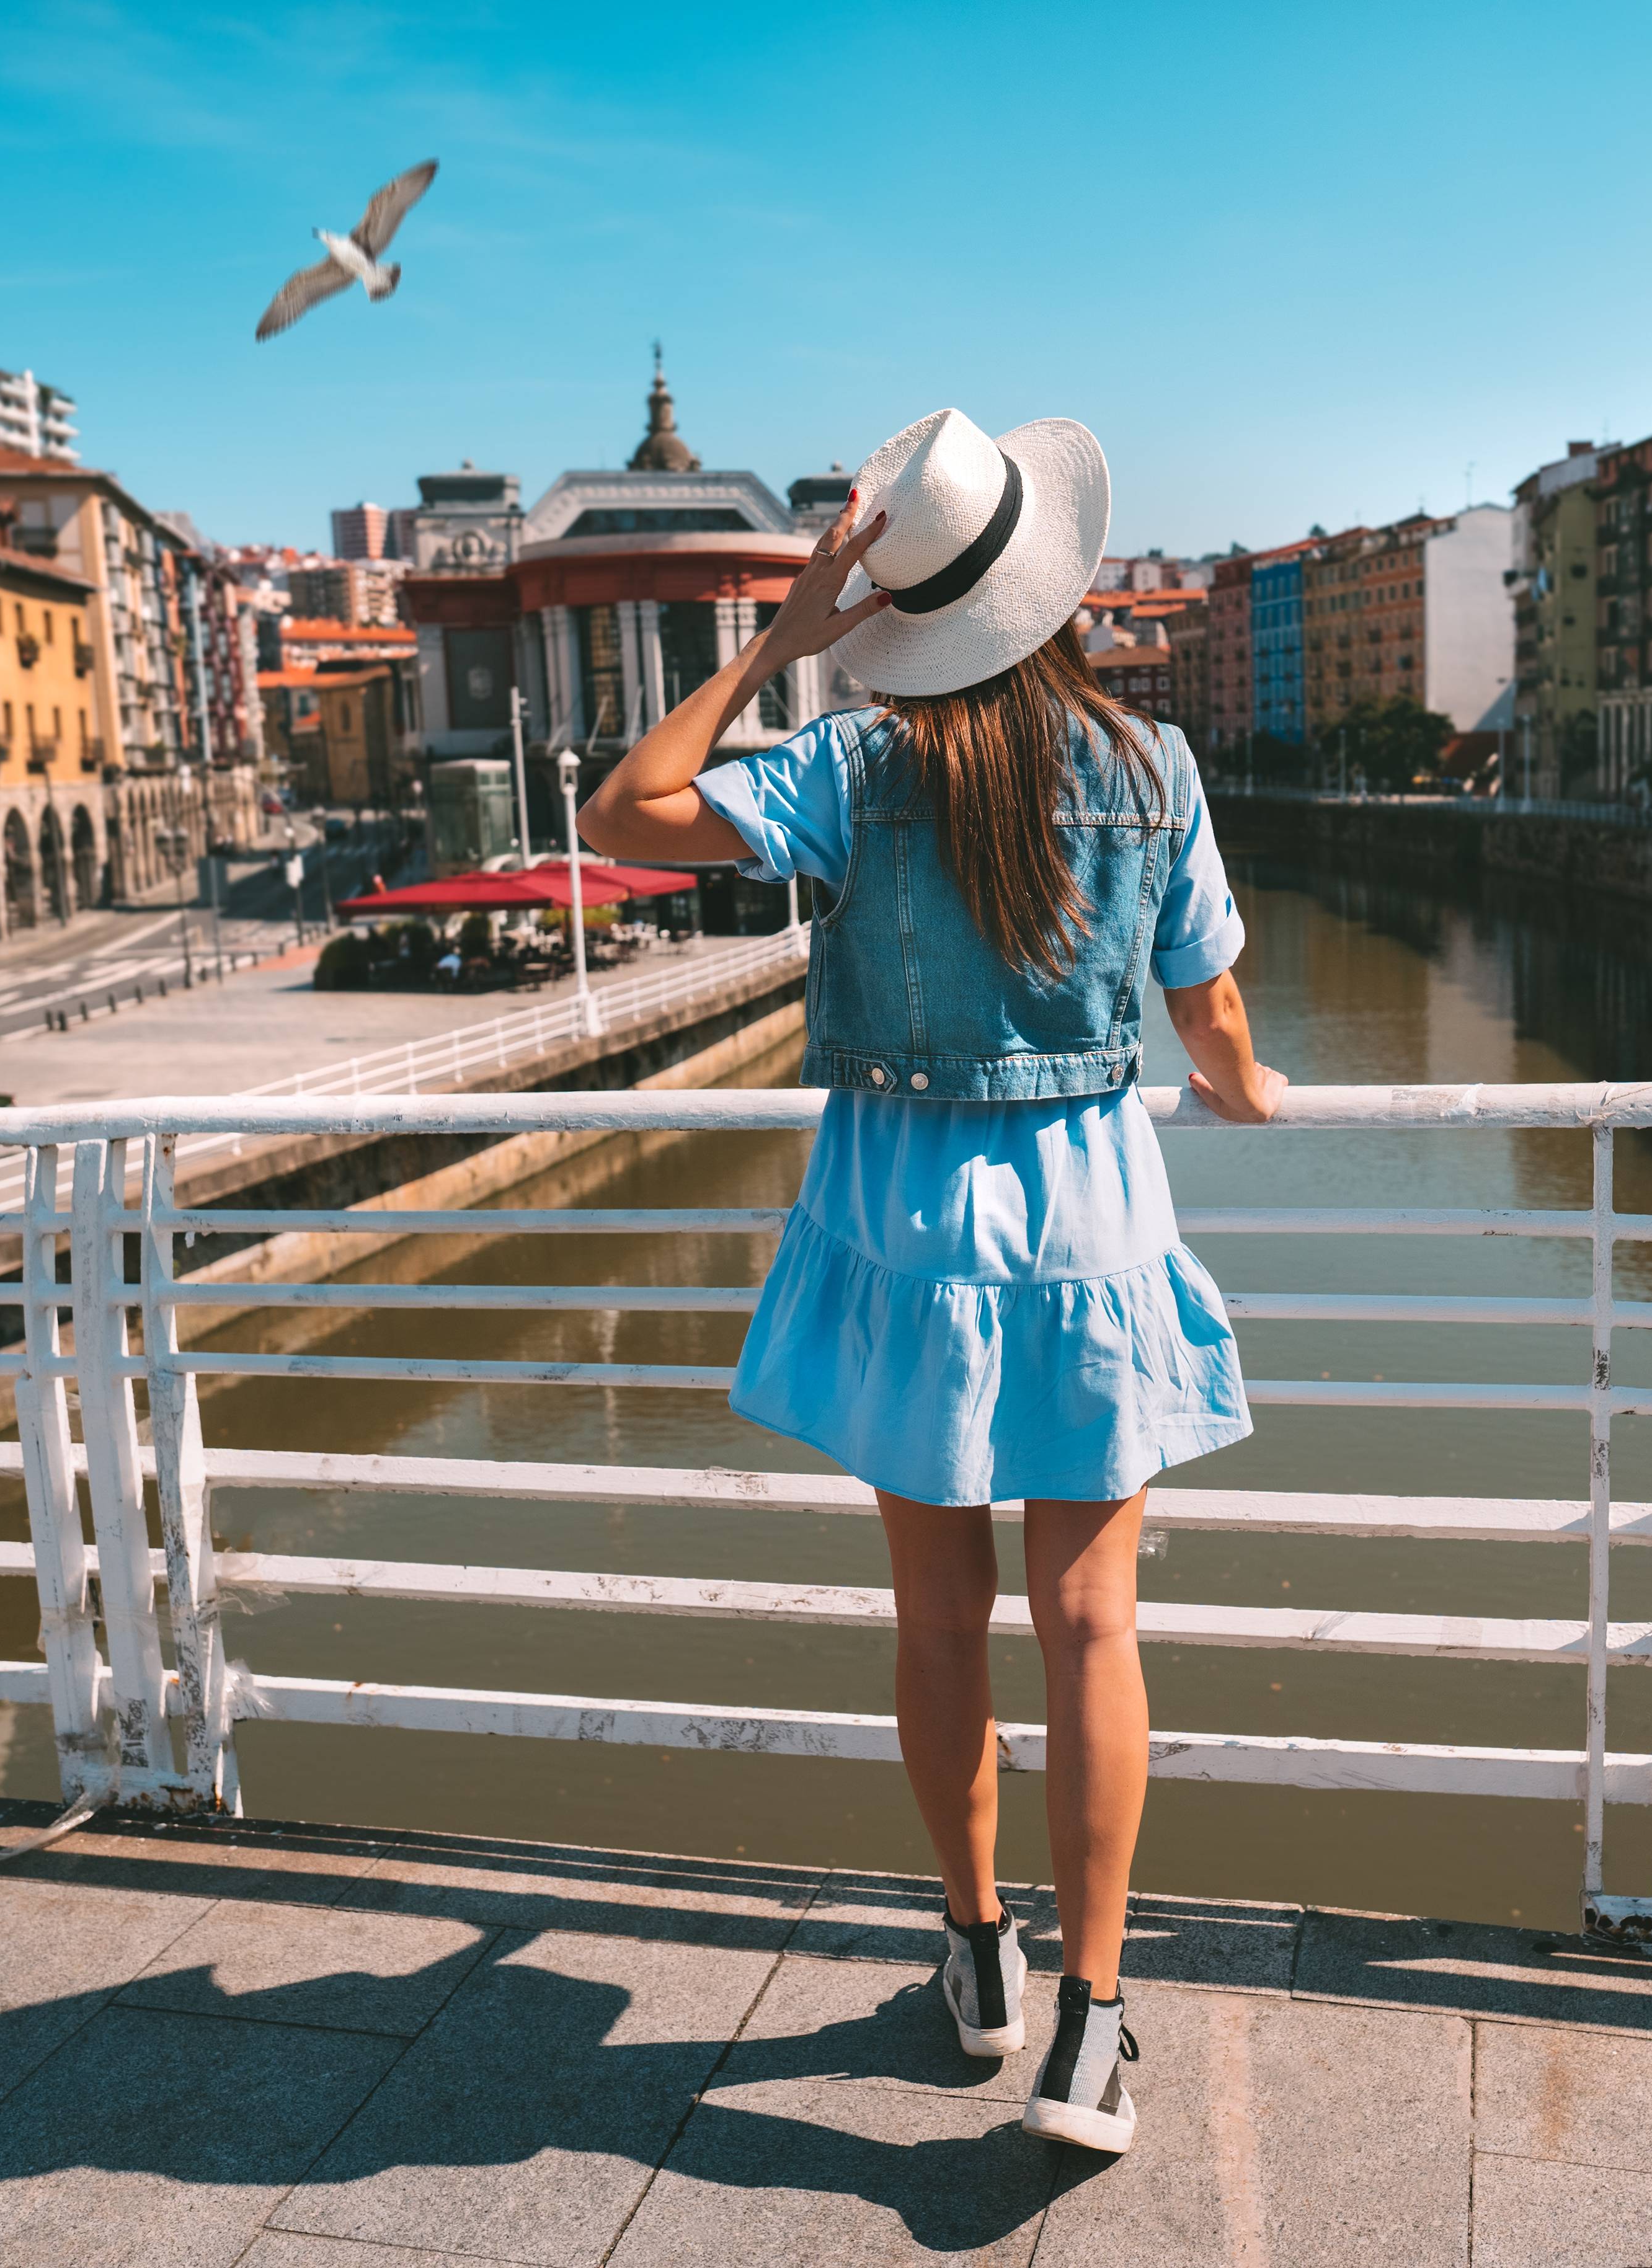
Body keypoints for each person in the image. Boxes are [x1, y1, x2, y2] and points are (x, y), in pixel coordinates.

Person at [582, 408, 1284, 2157]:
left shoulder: (850, 771)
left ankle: (979, 1963)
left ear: (906, 613)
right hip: (1090, 1228)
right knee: (1095, 1623)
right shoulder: (1156, 767)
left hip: (906, 1227)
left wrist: (780, 635)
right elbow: (1211, 1014)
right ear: (1049, 590)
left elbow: (626, 810)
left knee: (934, 1620)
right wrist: (1248, 1085)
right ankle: (1098, 2027)